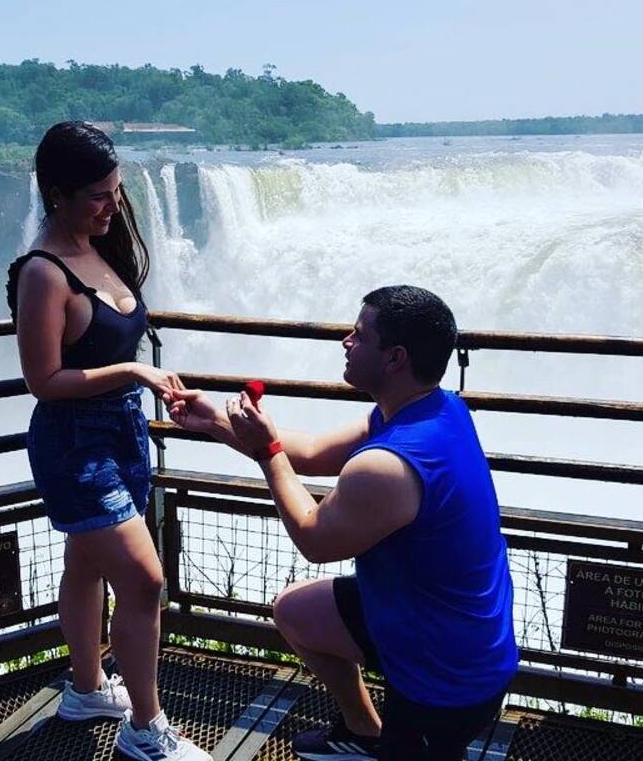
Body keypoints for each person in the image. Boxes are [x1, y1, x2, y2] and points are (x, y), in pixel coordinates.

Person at [167, 285, 517, 761]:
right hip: (429, 622)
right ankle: (363, 731)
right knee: (295, 610)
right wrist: (214, 423)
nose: (346, 343)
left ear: (394, 358)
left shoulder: (389, 466)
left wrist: (268, 454)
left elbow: (313, 537)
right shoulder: (436, 408)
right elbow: (309, 452)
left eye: (359, 335)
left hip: (447, 677)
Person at [7, 122, 210, 761]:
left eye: (116, 192)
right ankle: (146, 729)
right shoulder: (43, 273)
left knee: (87, 562)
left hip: (122, 432)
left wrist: (147, 386)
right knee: (145, 581)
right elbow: (43, 380)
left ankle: (89, 690)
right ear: (57, 193)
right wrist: (131, 371)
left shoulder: (100, 247)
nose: (111, 206)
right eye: (97, 195)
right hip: (75, 445)